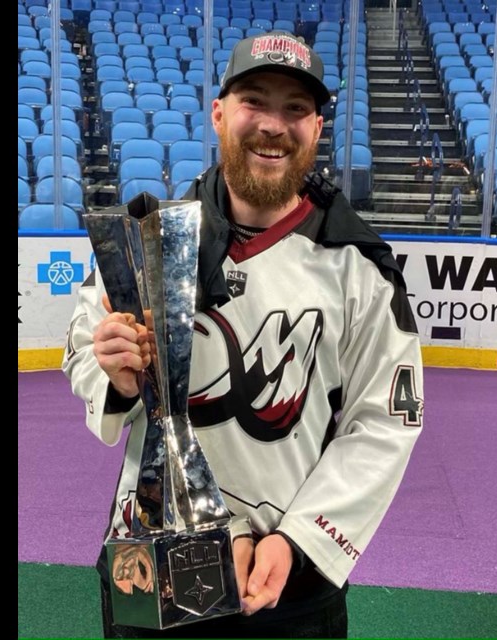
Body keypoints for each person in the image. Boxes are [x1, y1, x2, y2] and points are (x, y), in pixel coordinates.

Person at [63, 30, 425, 639]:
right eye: (255, 101)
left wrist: (297, 540)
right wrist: (116, 375)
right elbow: (82, 351)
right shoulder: (145, 240)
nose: (273, 125)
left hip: (288, 584)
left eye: (296, 109)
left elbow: (385, 421)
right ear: (219, 113)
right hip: (151, 559)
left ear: (316, 128)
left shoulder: (359, 266)